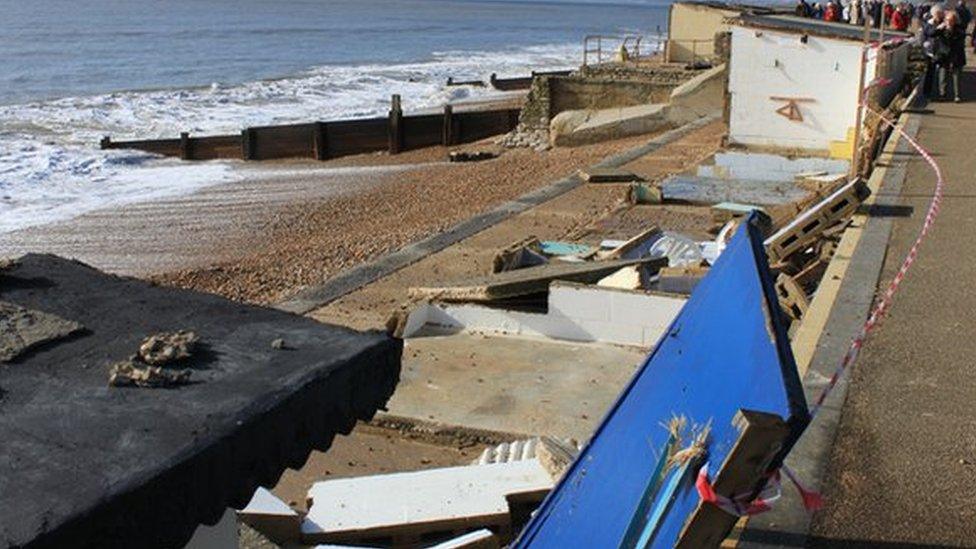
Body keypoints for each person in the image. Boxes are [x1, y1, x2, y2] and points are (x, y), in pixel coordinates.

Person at [935, 10, 967, 101]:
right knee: (943, 76)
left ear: (955, 20)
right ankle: (942, 94)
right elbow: (931, 34)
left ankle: (957, 95)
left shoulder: (959, 30)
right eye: (947, 20)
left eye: (951, 20)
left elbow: (958, 42)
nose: (949, 22)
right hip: (944, 55)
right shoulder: (942, 29)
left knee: (956, 76)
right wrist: (939, 28)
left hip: (956, 55)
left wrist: (950, 31)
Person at [921, 5, 946, 95]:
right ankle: (927, 92)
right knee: (929, 73)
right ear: (933, 14)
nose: (939, 16)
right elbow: (929, 34)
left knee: (942, 73)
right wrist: (924, 47)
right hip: (930, 52)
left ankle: (941, 92)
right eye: (937, 14)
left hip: (941, 51)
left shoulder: (944, 23)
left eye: (940, 14)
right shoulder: (929, 24)